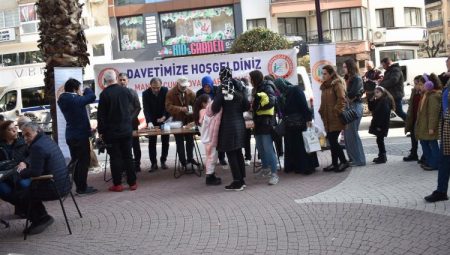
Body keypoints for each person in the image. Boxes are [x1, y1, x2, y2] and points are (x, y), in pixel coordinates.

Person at [14, 122, 71, 235]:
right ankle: (42, 216)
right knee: (26, 190)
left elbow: (36, 172)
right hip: (65, 184)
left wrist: (21, 172)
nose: (25, 138)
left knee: (20, 196)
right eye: (23, 135)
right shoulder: (47, 140)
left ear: (38, 131)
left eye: (28, 135)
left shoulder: (37, 146)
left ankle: (40, 219)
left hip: (55, 188)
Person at [97, 70, 138, 192]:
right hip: (126, 129)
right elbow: (131, 105)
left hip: (112, 131)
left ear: (105, 80)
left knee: (115, 157)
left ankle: (118, 184)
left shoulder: (104, 94)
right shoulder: (125, 91)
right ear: (116, 78)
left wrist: (101, 131)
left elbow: (101, 116)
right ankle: (133, 183)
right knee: (128, 156)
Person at [212, 67, 250, 191]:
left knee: (231, 153)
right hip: (240, 123)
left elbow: (215, 107)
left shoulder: (222, 87)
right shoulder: (240, 86)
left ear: (221, 76)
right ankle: (242, 180)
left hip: (227, 125)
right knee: (238, 152)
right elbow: (246, 106)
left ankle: (237, 182)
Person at [57, 78, 97, 195]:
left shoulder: (62, 99)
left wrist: (80, 93)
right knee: (83, 161)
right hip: (80, 135)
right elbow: (91, 97)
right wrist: (87, 89)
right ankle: (82, 188)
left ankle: (79, 186)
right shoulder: (74, 99)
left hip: (70, 135)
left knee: (75, 161)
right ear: (75, 89)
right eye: (79, 88)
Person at [274, 78, 319, 175]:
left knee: (302, 145)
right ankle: (298, 166)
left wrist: (308, 120)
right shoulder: (281, 95)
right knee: (296, 145)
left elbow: (304, 105)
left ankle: (305, 167)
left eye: (277, 87)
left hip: (299, 123)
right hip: (291, 124)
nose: (277, 89)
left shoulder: (295, 90)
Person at [424, 70, 450, 202]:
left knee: (444, 160)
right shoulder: (447, 84)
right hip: (447, 129)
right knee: (444, 160)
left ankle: (441, 191)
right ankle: (441, 191)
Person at [250, 70, 279, 185]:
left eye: (251, 79)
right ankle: (265, 169)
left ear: (255, 78)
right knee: (260, 147)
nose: (250, 81)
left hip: (267, 122)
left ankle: (274, 174)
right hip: (258, 122)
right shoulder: (256, 88)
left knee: (268, 148)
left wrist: (257, 106)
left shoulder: (267, 86)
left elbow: (272, 101)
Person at [319, 65, 350, 172]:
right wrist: (321, 111)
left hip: (336, 118)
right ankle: (334, 163)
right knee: (331, 141)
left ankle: (344, 161)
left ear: (331, 73)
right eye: (322, 73)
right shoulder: (325, 86)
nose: (323, 76)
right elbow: (324, 102)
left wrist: (336, 112)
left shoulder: (337, 84)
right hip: (328, 118)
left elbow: (342, 99)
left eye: (325, 73)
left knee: (333, 140)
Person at [165, 76, 199, 170]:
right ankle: (183, 162)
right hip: (177, 121)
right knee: (179, 142)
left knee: (190, 141)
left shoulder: (191, 93)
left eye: (185, 86)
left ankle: (190, 159)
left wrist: (192, 111)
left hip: (189, 121)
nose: (184, 88)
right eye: (182, 86)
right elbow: (168, 107)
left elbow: (196, 105)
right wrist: (180, 109)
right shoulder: (170, 93)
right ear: (177, 84)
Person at [196, 75, 227, 166]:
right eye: (205, 87)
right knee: (209, 142)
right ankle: (211, 160)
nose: (207, 88)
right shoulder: (199, 93)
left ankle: (222, 158)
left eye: (209, 86)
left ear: (212, 85)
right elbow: (198, 107)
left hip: (218, 118)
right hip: (207, 120)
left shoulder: (217, 90)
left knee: (220, 140)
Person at [0, 120, 30, 217]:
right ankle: (23, 207)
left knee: (22, 185)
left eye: (15, 128)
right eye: (10, 129)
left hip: (20, 174)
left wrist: (25, 162)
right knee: (4, 191)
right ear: (3, 133)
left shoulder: (23, 142)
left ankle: (24, 209)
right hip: (4, 177)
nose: (15, 131)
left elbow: (33, 155)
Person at [415, 73, 442, 171]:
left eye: (422, 84)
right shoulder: (425, 95)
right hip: (424, 126)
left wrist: (431, 127)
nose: (420, 86)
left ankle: (435, 163)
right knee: (424, 143)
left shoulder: (433, 96)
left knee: (432, 144)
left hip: (429, 126)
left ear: (429, 84)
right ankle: (430, 161)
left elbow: (433, 114)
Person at [194, 94, 222, 185]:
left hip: (207, 138)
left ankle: (211, 175)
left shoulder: (201, 111)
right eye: (209, 102)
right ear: (203, 104)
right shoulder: (204, 112)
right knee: (212, 157)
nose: (211, 104)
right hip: (209, 138)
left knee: (211, 157)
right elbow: (210, 120)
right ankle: (209, 177)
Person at [142, 77, 170, 171]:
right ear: (150, 86)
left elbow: (168, 105)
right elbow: (146, 109)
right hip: (152, 119)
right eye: (154, 88)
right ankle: (153, 163)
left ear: (161, 85)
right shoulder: (145, 93)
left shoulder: (165, 90)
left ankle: (163, 161)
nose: (156, 90)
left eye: (158, 87)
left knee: (165, 141)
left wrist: (164, 116)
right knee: (152, 142)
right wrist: (149, 121)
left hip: (164, 118)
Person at [343, 59, 366, 166]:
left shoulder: (356, 78)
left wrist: (345, 93)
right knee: (348, 135)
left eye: (345, 67)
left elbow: (351, 94)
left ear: (350, 67)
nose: (343, 69)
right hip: (350, 107)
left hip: (355, 106)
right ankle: (353, 158)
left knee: (352, 134)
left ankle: (359, 159)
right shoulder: (348, 78)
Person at [118, 73, 142, 172]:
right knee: (122, 146)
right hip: (120, 124)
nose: (122, 82)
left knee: (135, 145)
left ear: (128, 81)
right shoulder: (116, 93)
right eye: (120, 80)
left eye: (124, 80)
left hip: (132, 123)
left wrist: (130, 119)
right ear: (117, 81)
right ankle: (125, 166)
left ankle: (137, 164)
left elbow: (138, 107)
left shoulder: (133, 92)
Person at [368, 86, 395, 164]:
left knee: (380, 140)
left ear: (382, 93)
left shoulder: (384, 101)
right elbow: (371, 108)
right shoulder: (379, 100)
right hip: (378, 124)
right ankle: (381, 155)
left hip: (381, 125)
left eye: (377, 92)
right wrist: (371, 100)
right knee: (379, 140)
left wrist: (379, 126)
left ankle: (382, 156)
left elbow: (384, 115)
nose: (375, 94)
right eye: (375, 93)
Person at [404, 75, 424, 162]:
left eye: (417, 84)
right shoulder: (413, 92)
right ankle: (413, 153)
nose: (415, 86)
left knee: (423, 138)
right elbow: (411, 105)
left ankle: (425, 155)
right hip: (413, 118)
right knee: (413, 136)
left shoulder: (424, 93)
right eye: (414, 84)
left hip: (421, 119)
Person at [241, 77, 253, 166]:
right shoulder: (239, 92)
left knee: (248, 139)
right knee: (245, 139)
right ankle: (247, 157)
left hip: (250, 118)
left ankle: (248, 157)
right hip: (243, 119)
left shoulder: (250, 91)